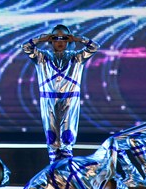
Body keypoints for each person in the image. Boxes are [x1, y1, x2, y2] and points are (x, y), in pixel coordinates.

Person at [21, 24, 100, 162]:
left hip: (70, 100)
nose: (60, 42)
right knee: (52, 140)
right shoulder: (42, 57)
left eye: (63, 38)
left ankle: (67, 170)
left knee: (67, 139)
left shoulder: (77, 57)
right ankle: (54, 170)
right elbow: (26, 47)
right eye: (56, 38)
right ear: (51, 40)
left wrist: (78, 39)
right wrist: (41, 38)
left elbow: (94, 47)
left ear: (68, 40)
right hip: (48, 100)